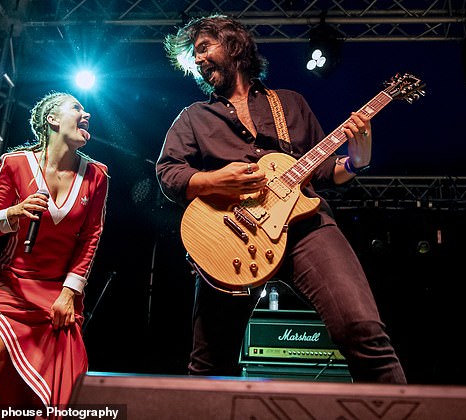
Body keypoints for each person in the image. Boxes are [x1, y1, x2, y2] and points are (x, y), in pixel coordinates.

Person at [155, 15, 407, 383]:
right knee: (209, 364)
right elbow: (168, 174)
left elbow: (322, 172)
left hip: (306, 228)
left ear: (234, 45)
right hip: (230, 237)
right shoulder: (194, 118)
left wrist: (356, 160)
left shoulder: (289, 103)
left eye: (205, 47)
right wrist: (215, 180)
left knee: (362, 329)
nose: (199, 59)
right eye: (195, 55)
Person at [0, 91, 109, 417]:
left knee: (62, 387)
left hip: (59, 295)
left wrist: (69, 293)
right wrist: (15, 213)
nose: (87, 114)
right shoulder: (14, 164)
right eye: (76, 108)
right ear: (52, 119)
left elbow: (91, 237)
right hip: (13, 284)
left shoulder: (97, 175)